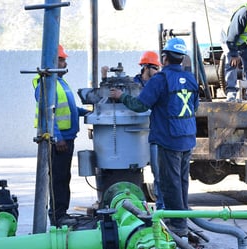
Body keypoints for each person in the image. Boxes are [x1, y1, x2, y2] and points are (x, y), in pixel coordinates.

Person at [109, 38, 199, 236]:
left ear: (165, 58)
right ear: (182, 58)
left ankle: (177, 226)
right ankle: (180, 217)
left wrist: (121, 97)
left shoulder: (160, 80)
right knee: (182, 181)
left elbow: (141, 105)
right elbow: (195, 107)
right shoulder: (191, 79)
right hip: (187, 137)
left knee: (170, 182)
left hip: (169, 138)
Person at [33, 44, 90, 227]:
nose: (65, 62)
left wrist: (89, 112)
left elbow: (68, 109)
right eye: (61, 59)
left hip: (66, 138)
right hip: (58, 140)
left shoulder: (60, 82)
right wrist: (57, 137)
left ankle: (61, 213)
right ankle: (58, 216)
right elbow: (47, 111)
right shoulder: (45, 83)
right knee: (57, 178)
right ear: (52, 61)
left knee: (63, 177)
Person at [101, 51, 165, 210]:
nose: (157, 71)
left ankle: (161, 205)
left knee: (159, 173)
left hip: (153, 131)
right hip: (136, 134)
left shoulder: (158, 83)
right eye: (155, 68)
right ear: (146, 67)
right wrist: (103, 78)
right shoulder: (132, 84)